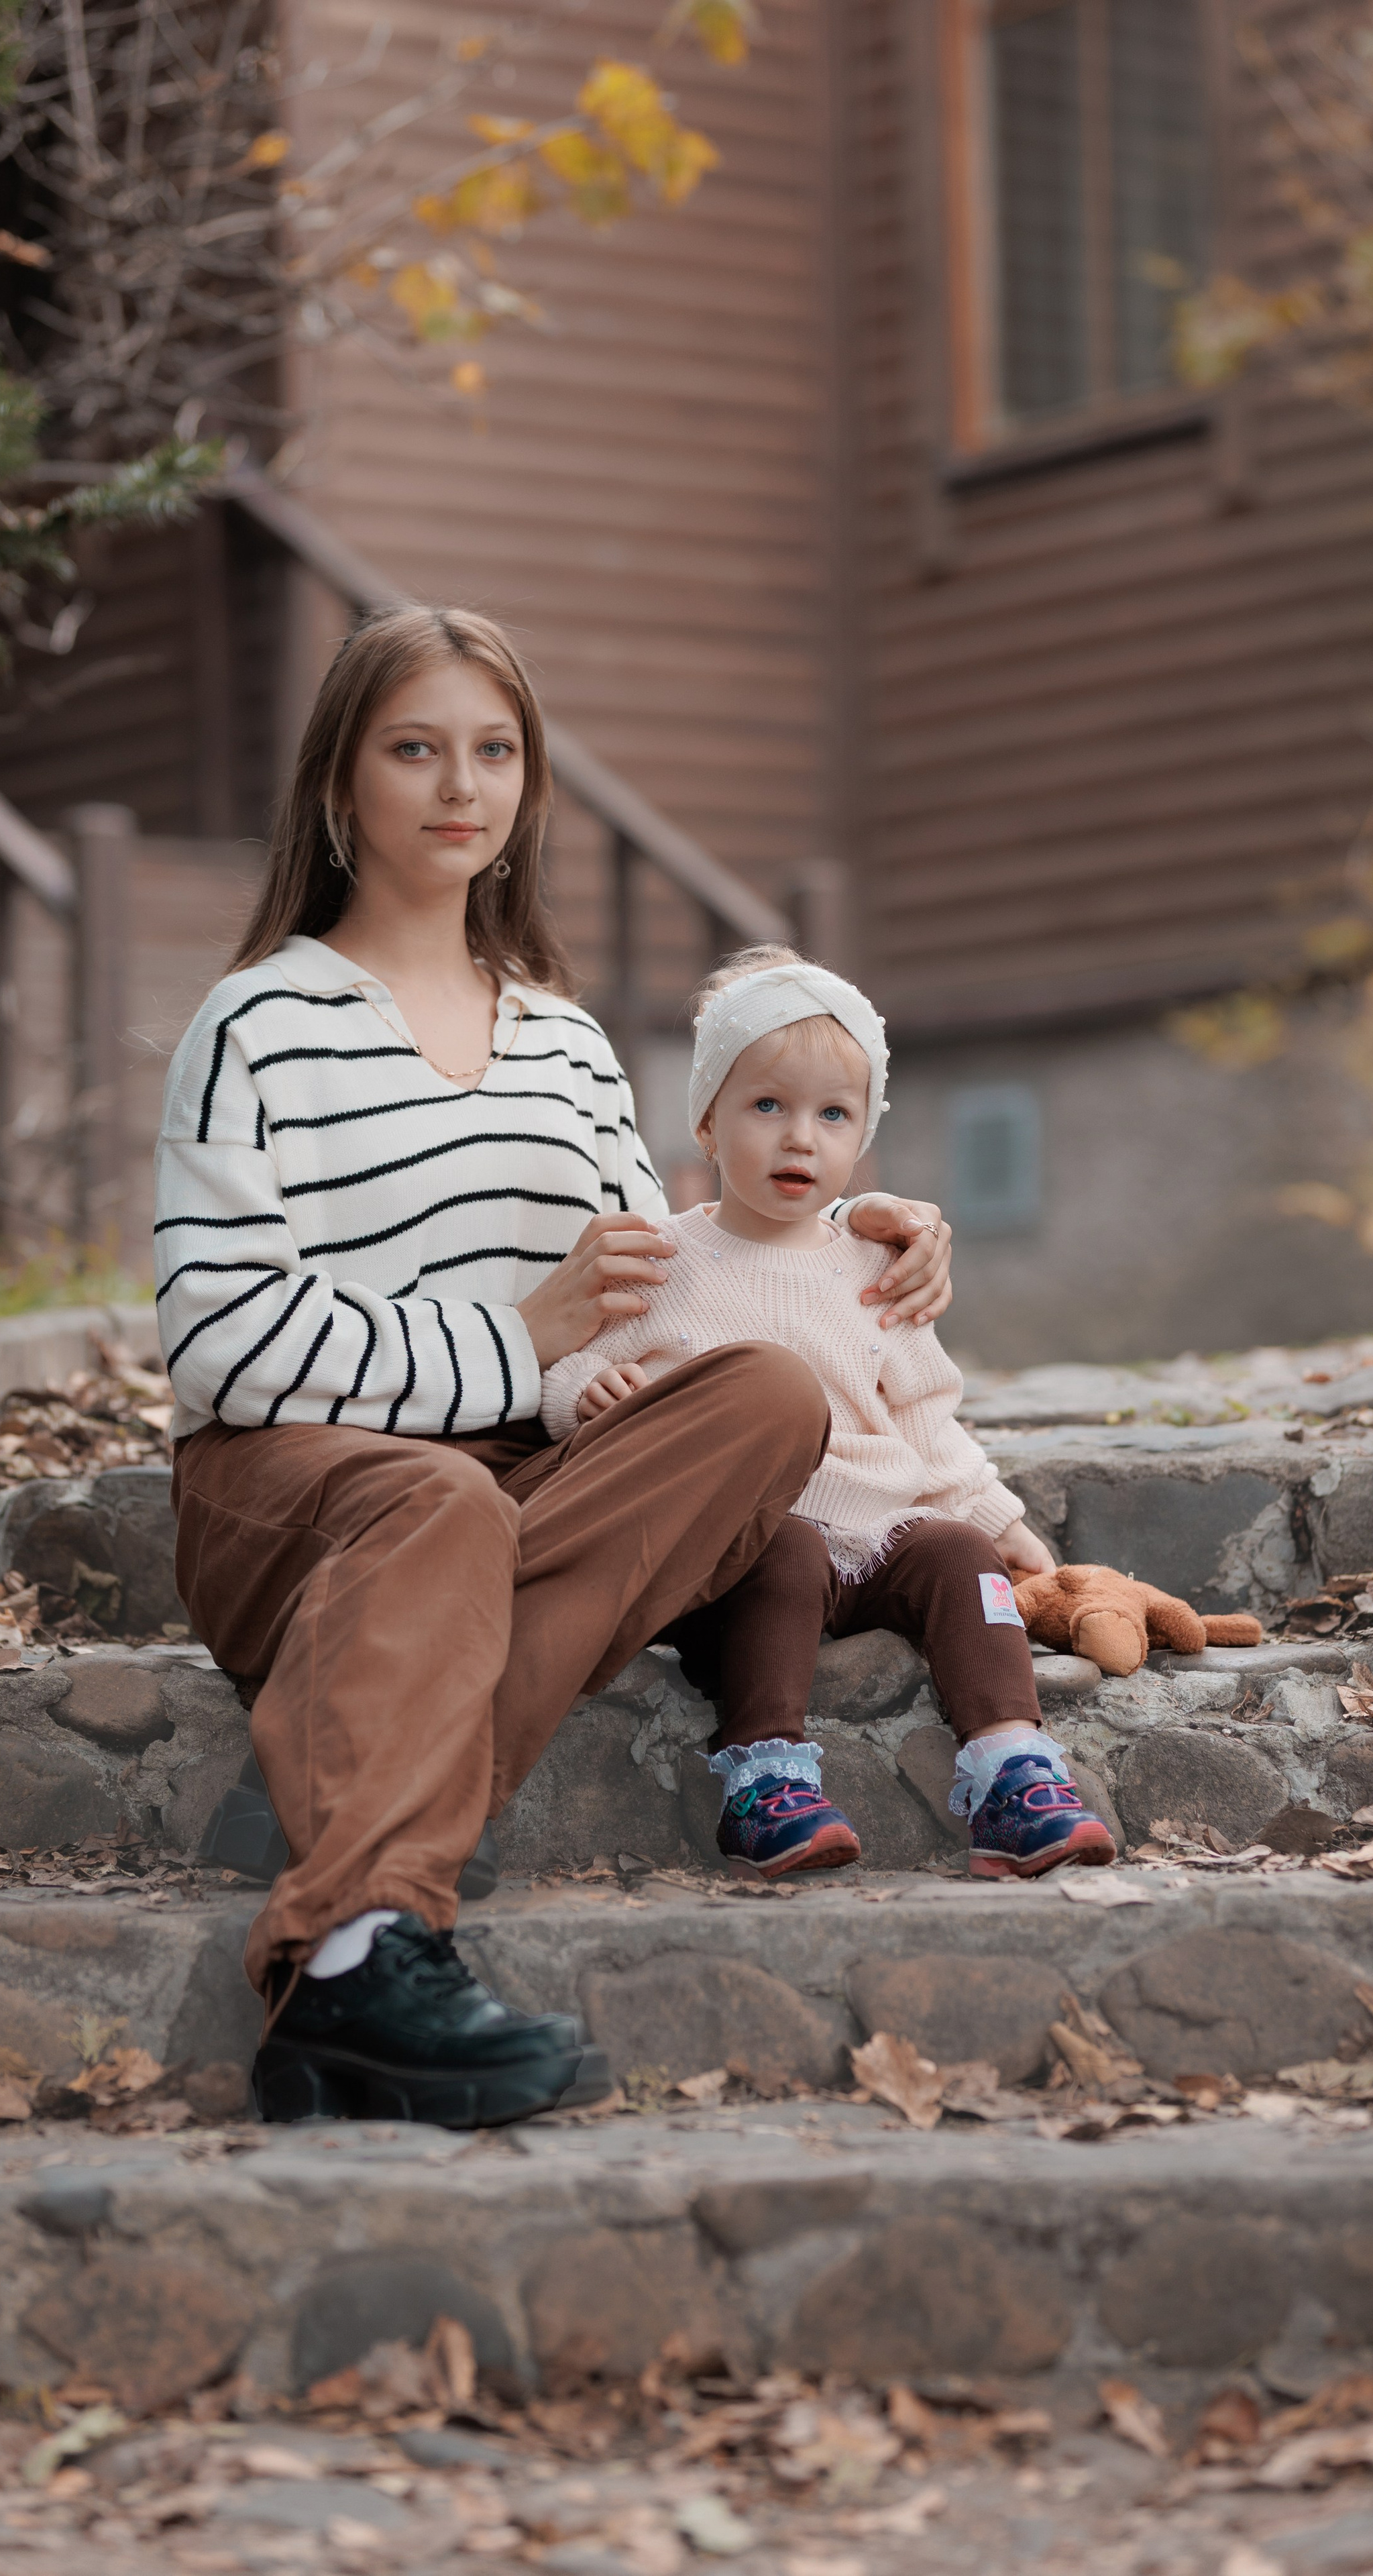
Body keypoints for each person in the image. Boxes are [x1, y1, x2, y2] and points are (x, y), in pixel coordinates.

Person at [154, 606, 956, 2127]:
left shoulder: (568, 1045)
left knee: (765, 1395)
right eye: (415, 748)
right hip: (297, 1485)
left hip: (523, 1480)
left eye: (495, 752)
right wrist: (517, 1342)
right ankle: (355, 1951)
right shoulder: (254, 1024)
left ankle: (349, 1769)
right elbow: (223, 1343)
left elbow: (669, 1283)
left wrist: (857, 1233)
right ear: (340, 782)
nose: (461, 787)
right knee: (441, 1505)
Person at [539, 949, 1116, 1883]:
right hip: (743, 1548)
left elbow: (923, 1418)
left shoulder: (873, 1267)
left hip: (877, 1532)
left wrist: (998, 1520)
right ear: (706, 1121)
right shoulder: (660, 1262)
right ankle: (766, 1779)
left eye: (833, 1115)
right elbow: (571, 1365)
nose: (799, 1140)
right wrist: (582, 1395)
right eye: (767, 1106)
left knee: (957, 1555)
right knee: (787, 1554)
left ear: (864, 1138)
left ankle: (1011, 1770)